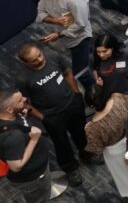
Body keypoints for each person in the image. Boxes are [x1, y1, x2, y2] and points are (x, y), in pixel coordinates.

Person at [14, 43, 92, 188]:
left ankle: (87, 153)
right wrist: (43, 118)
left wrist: (76, 93)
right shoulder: (22, 78)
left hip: (72, 104)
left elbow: (68, 73)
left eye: (39, 54)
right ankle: (70, 168)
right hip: (52, 115)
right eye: (34, 60)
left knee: (81, 131)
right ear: (26, 63)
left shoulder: (53, 56)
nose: (40, 59)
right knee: (61, 143)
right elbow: (24, 103)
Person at [34, 0, 93, 98]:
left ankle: (91, 89)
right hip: (63, 36)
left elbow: (81, 24)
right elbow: (40, 13)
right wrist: (53, 20)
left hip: (79, 38)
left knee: (80, 71)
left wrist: (59, 35)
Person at [0, 87, 53, 202]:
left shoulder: (9, 115)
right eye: (19, 100)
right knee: (39, 200)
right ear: (9, 110)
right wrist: (34, 140)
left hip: (37, 169)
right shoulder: (13, 137)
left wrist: (22, 117)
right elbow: (16, 166)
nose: (24, 99)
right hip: (33, 179)